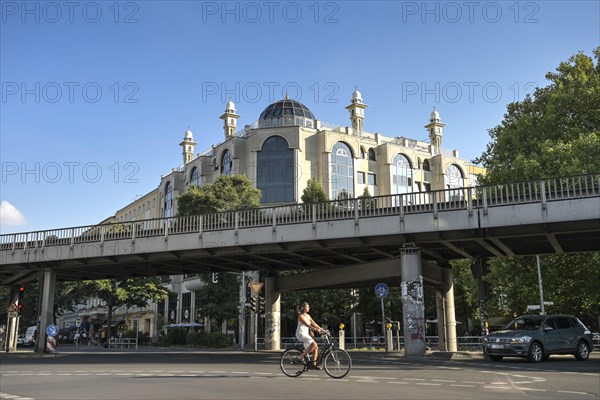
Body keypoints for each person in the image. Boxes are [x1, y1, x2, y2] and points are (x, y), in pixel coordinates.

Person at [295, 302, 323, 369]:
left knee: (316, 347)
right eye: (307, 307)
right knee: (313, 344)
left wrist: (322, 329)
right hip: (301, 334)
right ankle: (300, 357)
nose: (309, 308)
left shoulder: (308, 316)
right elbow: (308, 325)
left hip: (306, 334)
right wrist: (315, 330)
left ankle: (313, 364)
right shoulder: (301, 316)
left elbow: (315, 324)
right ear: (303, 308)